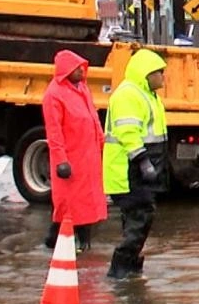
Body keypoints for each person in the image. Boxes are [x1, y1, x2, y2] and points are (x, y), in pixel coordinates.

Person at [102, 49, 170, 279]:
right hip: (127, 171)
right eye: (159, 72)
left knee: (136, 218)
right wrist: (142, 161)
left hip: (137, 171)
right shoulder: (129, 95)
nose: (163, 77)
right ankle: (121, 267)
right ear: (146, 73)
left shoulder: (147, 96)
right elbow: (127, 131)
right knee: (141, 216)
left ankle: (128, 268)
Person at [42, 49, 107, 252]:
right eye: (76, 68)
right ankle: (68, 240)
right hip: (72, 158)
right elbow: (54, 131)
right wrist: (61, 160)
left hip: (87, 156)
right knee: (70, 204)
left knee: (84, 203)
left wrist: (100, 143)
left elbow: (93, 119)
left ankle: (77, 241)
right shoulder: (54, 95)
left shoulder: (82, 89)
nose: (81, 71)